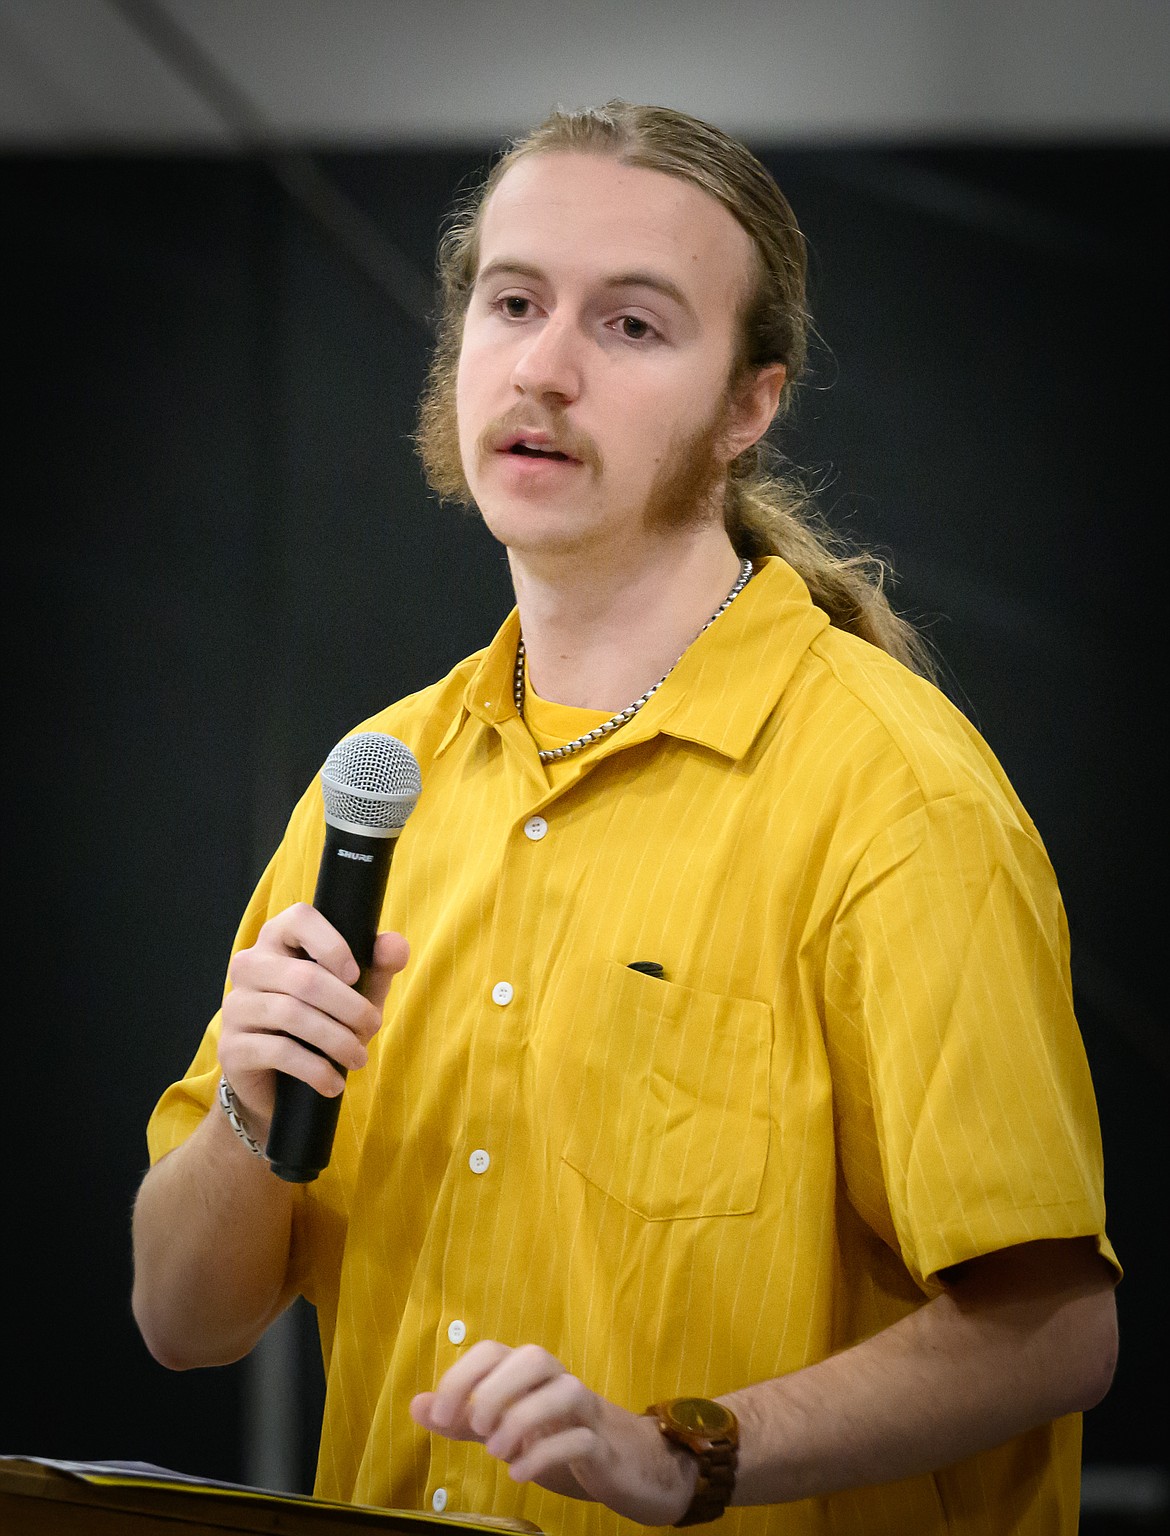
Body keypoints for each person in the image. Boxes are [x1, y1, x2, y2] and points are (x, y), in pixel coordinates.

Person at [132, 102, 1119, 1536]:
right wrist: (248, 1111)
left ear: (746, 407)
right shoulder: (380, 780)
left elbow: (1054, 1331)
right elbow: (182, 1318)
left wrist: (684, 1455)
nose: (542, 366)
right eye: (512, 301)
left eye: (633, 326)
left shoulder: (891, 791)